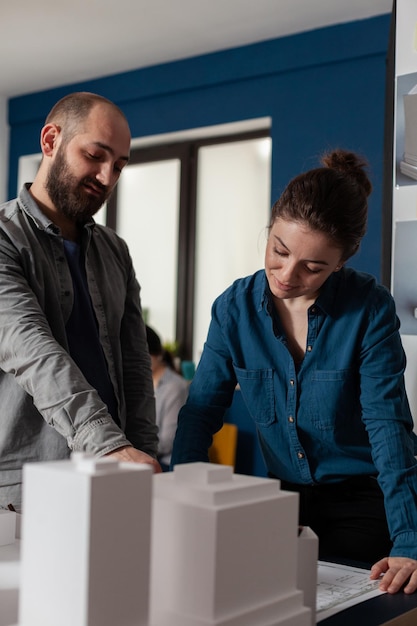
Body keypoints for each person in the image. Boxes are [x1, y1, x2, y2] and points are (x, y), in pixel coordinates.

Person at [171, 149, 417, 594]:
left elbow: (388, 426)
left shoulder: (369, 309)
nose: (286, 274)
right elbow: (201, 411)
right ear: (270, 229)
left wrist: (409, 540)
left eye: (313, 267)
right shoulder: (233, 308)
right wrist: (182, 501)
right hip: (281, 502)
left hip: (362, 501)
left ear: (341, 262)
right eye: (279, 251)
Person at [0, 91, 162, 511]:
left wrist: (142, 456)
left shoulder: (115, 250)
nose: (107, 177)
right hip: (26, 488)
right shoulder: (4, 240)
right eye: (95, 155)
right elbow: (31, 349)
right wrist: (109, 446)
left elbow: (135, 366)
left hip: (112, 477)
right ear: (51, 141)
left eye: (120, 167)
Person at [146, 325, 189, 471]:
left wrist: (132, 448)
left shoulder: (175, 386)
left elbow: (168, 442)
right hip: (147, 457)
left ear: (157, 354)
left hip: (166, 463)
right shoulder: (140, 384)